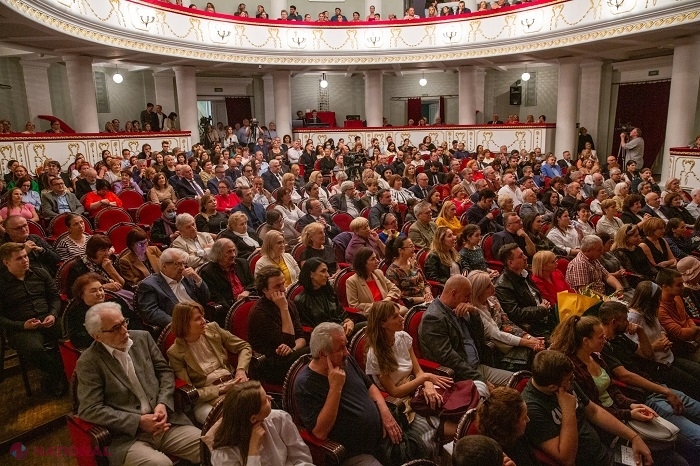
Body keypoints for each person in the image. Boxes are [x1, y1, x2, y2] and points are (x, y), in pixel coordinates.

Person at [549, 315, 690, 466]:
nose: (605, 339)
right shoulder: (574, 371)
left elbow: (612, 390)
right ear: (585, 341)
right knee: (676, 460)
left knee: (680, 440)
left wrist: (631, 405)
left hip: (622, 412)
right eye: (600, 337)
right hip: (609, 427)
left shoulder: (596, 357)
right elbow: (595, 410)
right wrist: (628, 414)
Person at [75, 303, 201, 466]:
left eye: (124, 322)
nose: (124, 331)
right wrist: (138, 421)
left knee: (207, 445)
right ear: (97, 336)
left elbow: (165, 372)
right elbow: (89, 409)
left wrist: (163, 403)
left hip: (165, 422)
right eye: (115, 328)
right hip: (128, 437)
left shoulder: (142, 338)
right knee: (160, 464)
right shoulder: (89, 362)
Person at [294, 322, 402, 465]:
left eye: (346, 345)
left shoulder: (345, 360)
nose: (347, 352)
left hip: (382, 437)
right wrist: (335, 388)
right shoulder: (305, 384)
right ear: (322, 353)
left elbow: (370, 387)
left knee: (421, 447)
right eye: (341, 348)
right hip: (353, 454)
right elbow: (320, 432)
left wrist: (385, 412)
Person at [521, 350, 652, 466]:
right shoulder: (532, 408)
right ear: (552, 388)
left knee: (660, 456)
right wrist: (568, 411)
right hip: (588, 462)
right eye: (569, 379)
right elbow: (566, 459)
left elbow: (594, 412)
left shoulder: (565, 381)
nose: (572, 381)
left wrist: (634, 437)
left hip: (604, 451)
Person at [365, 300, 454, 448]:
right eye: (395, 317)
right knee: (441, 423)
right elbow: (394, 391)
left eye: (400, 314)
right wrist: (425, 378)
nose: (401, 318)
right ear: (383, 324)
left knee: (448, 404)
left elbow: (417, 370)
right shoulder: (375, 354)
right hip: (400, 399)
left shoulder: (403, 337)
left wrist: (428, 384)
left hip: (414, 385)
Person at [418, 275, 513, 395]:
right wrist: (479, 378)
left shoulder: (461, 307)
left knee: (518, 382)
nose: (469, 300)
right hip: (460, 376)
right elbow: (448, 357)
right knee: (496, 397)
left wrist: (474, 314)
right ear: (454, 293)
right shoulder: (433, 318)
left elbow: (480, 338)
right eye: (467, 295)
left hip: (478, 368)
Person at [167, 301, 253, 424]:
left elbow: (244, 346)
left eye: (202, 316)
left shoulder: (213, 329)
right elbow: (191, 393)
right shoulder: (175, 353)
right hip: (208, 398)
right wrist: (220, 390)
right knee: (234, 421)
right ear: (184, 324)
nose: (204, 321)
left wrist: (241, 370)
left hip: (234, 383)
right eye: (197, 319)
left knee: (260, 409)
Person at [0, 242, 67, 396]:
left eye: (25, 256)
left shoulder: (40, 273)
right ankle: (59, 373)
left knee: (73, 331)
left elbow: (55, 298)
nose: (25, 260)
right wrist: (23, 325)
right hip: (21, 327)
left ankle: (58, 374)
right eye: (19, 258)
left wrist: (53, 314)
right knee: (34, 349)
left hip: (47, 318)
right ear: (6, 262)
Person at [207, 380, 313, 466]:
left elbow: (301, 456)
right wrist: (253, 450)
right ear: (253, 418)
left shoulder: (279, 418)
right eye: (265, 400)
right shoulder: (224, 454)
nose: (270, 397)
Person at [627, 280, 700, 402]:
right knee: (695, 385)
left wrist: (663, 336)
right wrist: (655, 346)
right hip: (659, 366)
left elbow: (660, 329)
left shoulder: (650, 312)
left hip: (669, 357)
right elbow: (635, 350)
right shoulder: (632, 319)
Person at [468, 270, 543, 371]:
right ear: (479, 291)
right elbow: (495, 334)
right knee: (535, 351)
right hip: (496, 348)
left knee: (540, 346)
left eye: (491, 283)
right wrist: (527, 342)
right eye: (488, 286)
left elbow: (506, 321)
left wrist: (528, 336)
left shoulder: (493, 300)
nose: (493, 287)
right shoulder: (475, 311)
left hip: (509, 338)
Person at [248, 266, 308, 384]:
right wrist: (283, 309)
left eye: (283, 284)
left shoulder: (289, 304)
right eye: (277, 286)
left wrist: (293, 349)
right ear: (265, 290)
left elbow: (301, 337)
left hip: (290, 354)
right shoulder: (260, 313)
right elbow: (288, 341)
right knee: (317, 352)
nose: (284, 289)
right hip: (271, 364)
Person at [136, 248, 211, 328]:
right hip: (181, 327)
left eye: (183, 263)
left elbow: (205, 298)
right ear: (164, 265)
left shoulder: (187, 277)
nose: (182, 268)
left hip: (201, 319)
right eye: (177, 264)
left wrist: (197, 279)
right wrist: (177, 323)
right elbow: (151, 312)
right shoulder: (149, 285)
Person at [494, 244, 554, 338]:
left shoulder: (525, 273)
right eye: (520, 256)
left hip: (544, 319)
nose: (525, 257)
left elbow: (534, 296)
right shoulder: (502, 286)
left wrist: (543, 301)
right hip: (532, 329)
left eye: (523, 254)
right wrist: (541, 309)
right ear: (510, 263)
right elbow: (515, 313)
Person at [475, 387, 538, 466]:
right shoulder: (494, 458)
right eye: (524, 417)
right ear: (509, 425)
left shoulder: (517, 435)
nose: (528, 420)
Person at [295, 257, 355, 335]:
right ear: (311, 274)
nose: (327, 275)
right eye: (323, 271)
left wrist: (349, 322)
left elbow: (342, 314)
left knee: (366, 326)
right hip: (324, 336)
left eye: (327, 271)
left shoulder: (329, 291)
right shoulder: (301, 300)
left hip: (341, 328)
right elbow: (311, 329)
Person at [200, 238, 255, 313]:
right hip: (229, 309)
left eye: (234, 250)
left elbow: (253, 283)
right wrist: (235, 309)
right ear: (218, 254)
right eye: (229, 252)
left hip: (250, 300)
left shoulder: (242, 263)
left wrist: (247, 291)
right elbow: (216, 297)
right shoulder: (208, 272)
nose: (233, 255)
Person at [657, 267, 700, 363]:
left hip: (694, 336)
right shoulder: (660, 309)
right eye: (679, 285)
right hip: (684, 347)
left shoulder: (677, 297)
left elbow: (687, 317)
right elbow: (680, 334)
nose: (683, 287)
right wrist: (695, 330)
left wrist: (694, 328)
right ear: (665, 287)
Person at [66, 234, 128, 299]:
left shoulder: (109, 262)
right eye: (103, 250)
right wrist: (104, 287)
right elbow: (73, 293)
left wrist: (111, 270)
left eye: (108, 249)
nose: (107, 253)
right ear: (93, 251)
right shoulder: (78, 267)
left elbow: (123, 285)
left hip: (114, 296)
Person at [347, 247, 404, 315]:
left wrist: (387, 300)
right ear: (363, 263)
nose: (377, 261)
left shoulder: (378, 273)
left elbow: (395, 289)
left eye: (376, 258)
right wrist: (378, 307)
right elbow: (354, 305)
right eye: (373, 259)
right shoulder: (352, 281)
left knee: (405, 311)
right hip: (371, 314)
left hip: (387, 308)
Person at [565, 235, 625, 299]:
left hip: (601, 297)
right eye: (599, 250)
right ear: (588, 251)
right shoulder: (579, 264)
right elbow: (583, 291)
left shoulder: (594, 259)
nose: (602, 251)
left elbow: (607, 275)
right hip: (589, 302)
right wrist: (606, 298)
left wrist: (619, 287)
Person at [385, 235, 434, 307]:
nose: (414, 248)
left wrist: (428, 293)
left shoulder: (414, 263)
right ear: (400, 250)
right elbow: (400, 297)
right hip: (411, 305)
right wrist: (424, 299)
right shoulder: (392, 272)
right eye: (410, 246)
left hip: (427, 300)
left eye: (413, 245)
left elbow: (425, 283)